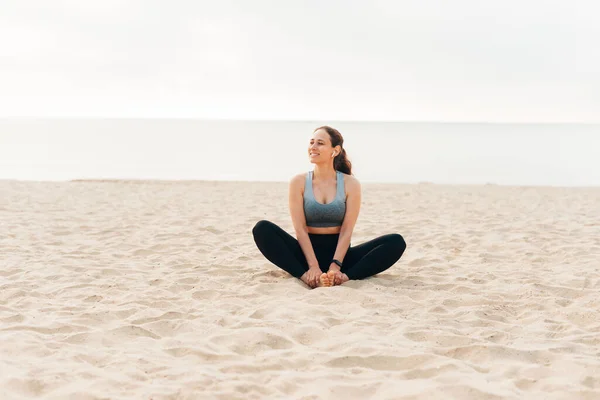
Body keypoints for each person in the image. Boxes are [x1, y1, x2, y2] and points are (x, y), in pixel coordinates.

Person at [252, 126, 406, 288]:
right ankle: (306, 277)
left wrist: (335, 266)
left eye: (320, 143)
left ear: (335, 150)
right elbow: (300, 229)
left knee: (396, 241)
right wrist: (313, 267)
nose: (313, 147)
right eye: (311, 142)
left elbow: (347, 230)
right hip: (305, 257)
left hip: (341, 257)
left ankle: (344, 278)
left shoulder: (350, 183)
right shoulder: (298, 182)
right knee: (262, 228)